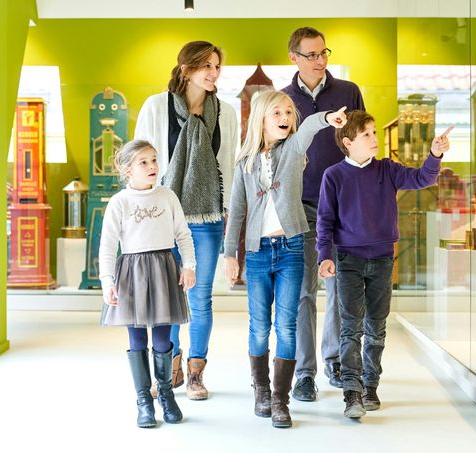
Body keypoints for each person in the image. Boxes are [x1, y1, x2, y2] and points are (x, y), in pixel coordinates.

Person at [223, 90, 347, 428]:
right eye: (276, 112)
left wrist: (328, 118)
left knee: (286, 325)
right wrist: (230, 254)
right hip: (257, 253)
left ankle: (280, 399)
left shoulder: (293, 149)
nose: (285, 117)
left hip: (291, 248)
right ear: (261, 119)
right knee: (259, 326)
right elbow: (237, 212)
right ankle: (261, 391)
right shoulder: (245, 163)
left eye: (288, 112)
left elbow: (309, 127)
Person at [317, 111, 450, 419]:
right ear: (348, 142)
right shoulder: (333, 176)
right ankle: (351, 392)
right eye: (367, 135)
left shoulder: (387, 169)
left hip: (382, 259)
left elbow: (423, 178)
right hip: (347, 260)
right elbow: (325, 221)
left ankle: (370, 386)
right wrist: (325, 255)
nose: (374, 139)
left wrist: (435, 155)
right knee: (350, 328)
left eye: (374, 132)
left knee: (376, 327)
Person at [134, 40, 238, 400]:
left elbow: (228, 166)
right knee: (169, 297)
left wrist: (229, 215)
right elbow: (139, 158)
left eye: (217, 66)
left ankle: (196, 373)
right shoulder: (156, 106)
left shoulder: (225, 112)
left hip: (207, 217)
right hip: (163, 216)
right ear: (186, 69)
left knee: (200, 296)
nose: (213, 73)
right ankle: (171, 366)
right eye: (206, 66)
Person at [281, 26, 366, 401]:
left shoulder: (348, 92)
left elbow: (363, 142)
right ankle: (304, 372)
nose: (320, 61)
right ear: (294, 58)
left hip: (342, 206)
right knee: (303, 292)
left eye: (324, 53)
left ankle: (334, 362)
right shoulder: (282, 99)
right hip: (298, 205)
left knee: (339, 289)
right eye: (312, 55)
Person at [99, 140, 196, 428]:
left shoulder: (167, 196)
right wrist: (107, 281)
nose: (152, 166)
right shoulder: (120, 202)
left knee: (164, 338)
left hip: (163, 269)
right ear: (127, 169)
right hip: (132, 274)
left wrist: (188, 266)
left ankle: (166, 394)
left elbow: (183, 234)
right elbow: (108, 245)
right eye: (143, 162)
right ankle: (143, 400)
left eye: (154, 160)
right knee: (137, 339)